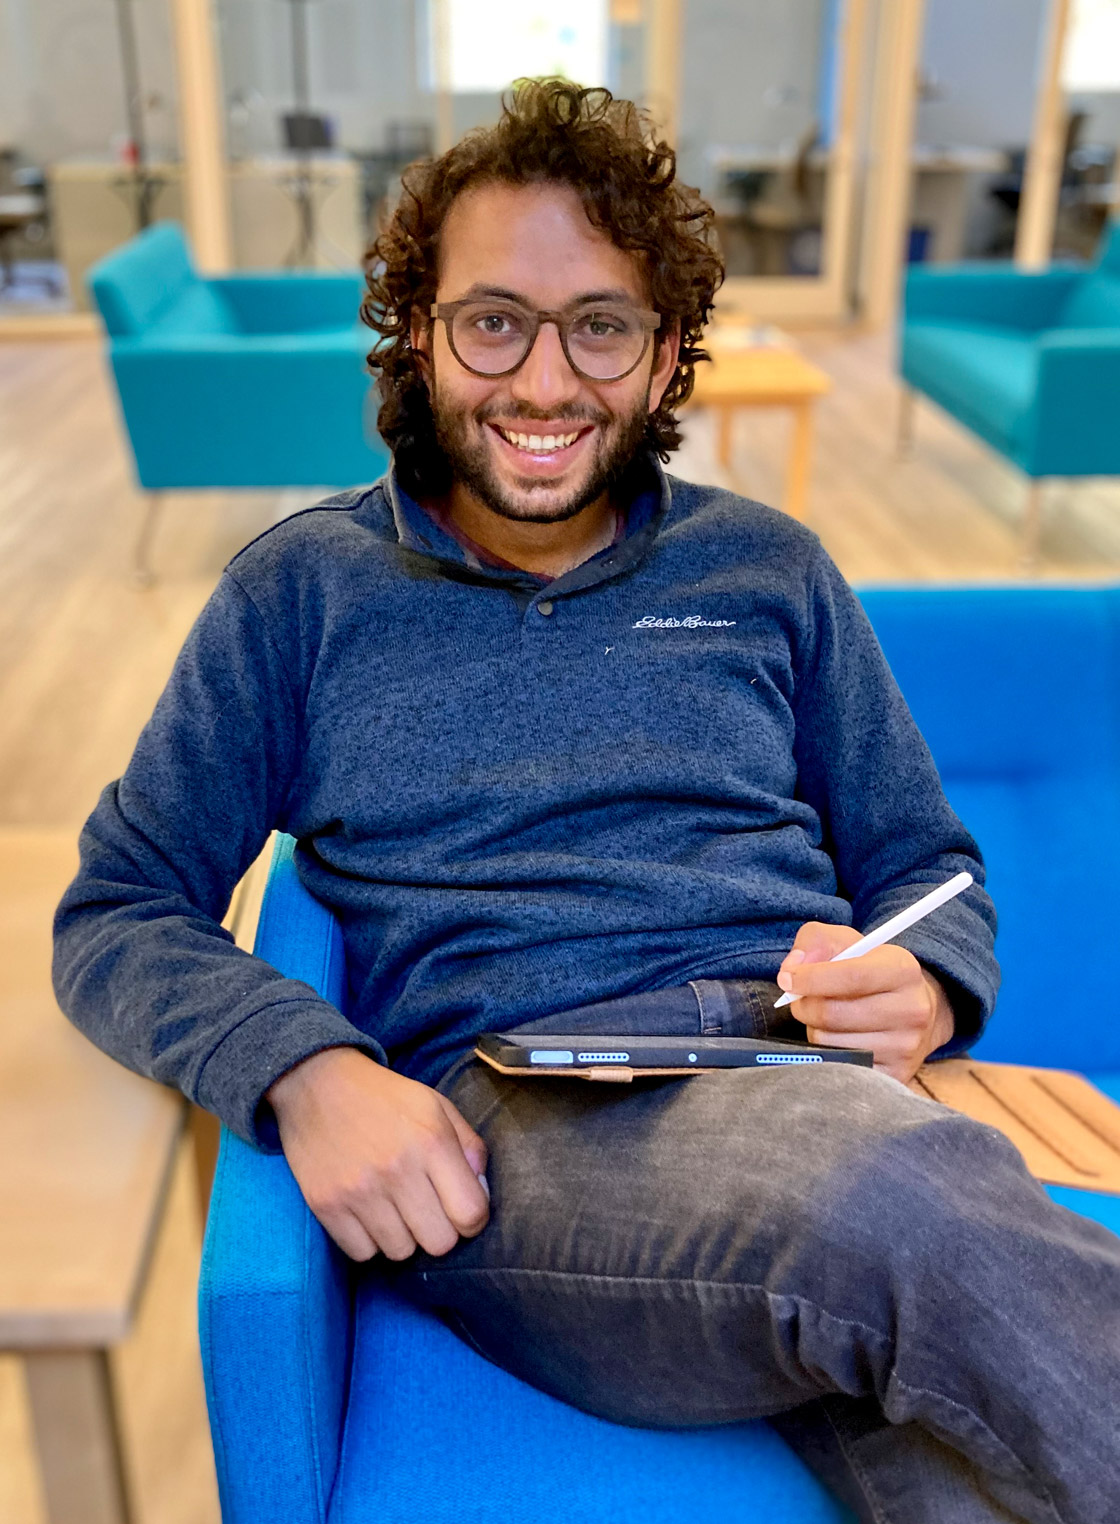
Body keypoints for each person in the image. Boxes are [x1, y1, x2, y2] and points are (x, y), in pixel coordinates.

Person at [53, 81, 1118, 1524]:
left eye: (601, 326)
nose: (545, 384)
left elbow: (925, 866)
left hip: (813, 1094)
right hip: (531, 1135)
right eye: (493, 320)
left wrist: (927, 978)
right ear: (416, 337)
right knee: (903, 1201)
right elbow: (118, 906)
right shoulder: (301, 596)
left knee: (973, 1475)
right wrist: (307, 1069)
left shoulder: (771, 570)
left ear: (666, 353)